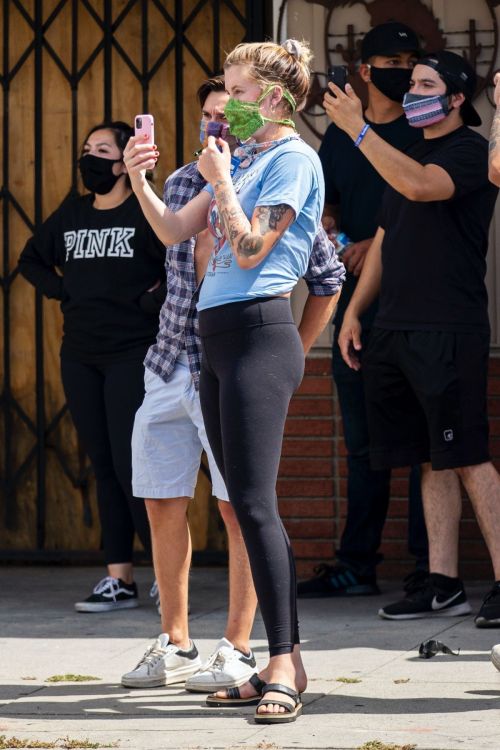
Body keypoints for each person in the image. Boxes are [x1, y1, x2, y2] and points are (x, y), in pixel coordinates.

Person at [124, 39, 335, 723]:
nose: (229, 107)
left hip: (257, 334)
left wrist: (219, 180)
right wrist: (139, 179)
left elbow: (251, 249)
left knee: (254, 502)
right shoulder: (241, 160)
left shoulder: (294, 159)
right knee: (243, 504)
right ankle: (271, 660)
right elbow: (172, 231)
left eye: (240, 95)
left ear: (274, 100)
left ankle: (284, 661)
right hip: (213, 341)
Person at [325, 48, 500, 626]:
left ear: (455, 99)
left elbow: (424, 188)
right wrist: (355, 311)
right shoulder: (403, 153)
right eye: (412, 82)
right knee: (429, 460)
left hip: (447, 327)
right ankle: (442, 582)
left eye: (427, 84)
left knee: (469, 457)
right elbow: (383, 235)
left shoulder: (470, 152)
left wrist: (355, 130)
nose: (413, 90)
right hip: (394, 327)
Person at [298, 22, 429, 600]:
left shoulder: (425, 131)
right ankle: (358, 562)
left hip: (417, 304)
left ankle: (432, 567)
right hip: (353, 308)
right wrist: (328, 224)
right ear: (365, 68)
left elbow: (417, 205)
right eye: (391, 59)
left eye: (411, 59)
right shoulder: (337, 137)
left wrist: (372, 245)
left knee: (429, 443)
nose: (401, 69)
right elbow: (327, 199)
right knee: (364, 442)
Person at [18, 122, 165, 612]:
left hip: (132, 354)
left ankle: (167, 574)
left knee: (133, 467)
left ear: (125, 162)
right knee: (104, 465)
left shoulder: (145, 212)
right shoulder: (73, 214)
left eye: (101, 150)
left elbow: (182, 265)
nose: (90, 159)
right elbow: (31, 260)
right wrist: (65, 291)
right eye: (86, 150)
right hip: (80, 354)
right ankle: (118, 578)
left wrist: (153, 302)